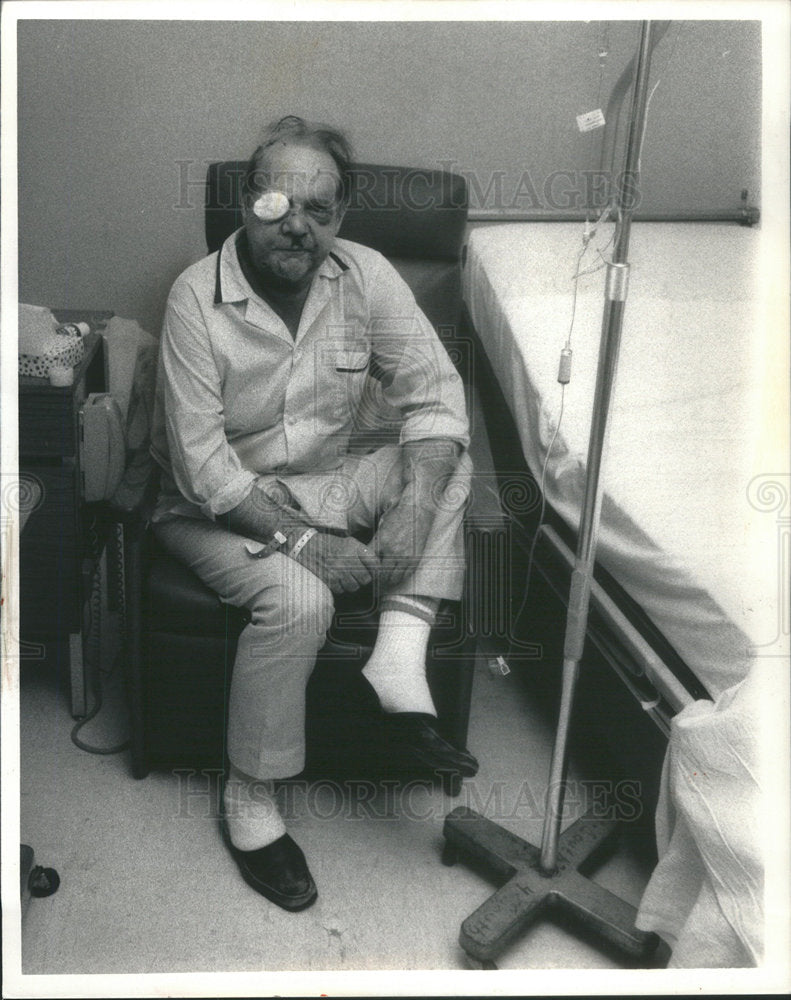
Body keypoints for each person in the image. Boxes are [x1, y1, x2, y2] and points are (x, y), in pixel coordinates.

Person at [150, 115, 476, 912]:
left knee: (441, 457)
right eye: (276, 204)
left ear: (342, 214)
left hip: (324, 484)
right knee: (302, 597)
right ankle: (251, 798)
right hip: (214, 509)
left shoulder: (364, 275)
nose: (297, 226)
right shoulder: (196, 297)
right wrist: (305, 545)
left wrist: (409, 512)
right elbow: (203, 470)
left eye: (319, 210)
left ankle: (396, 659)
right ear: (244, 202)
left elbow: (435, 400)